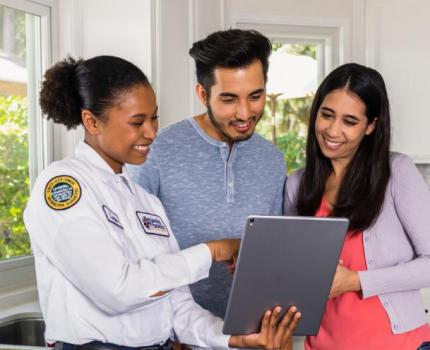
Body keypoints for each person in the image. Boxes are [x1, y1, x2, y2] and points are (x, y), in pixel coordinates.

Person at [24, 56, 300, 350]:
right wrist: (213, 251)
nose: (151, 132)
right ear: (91, 121)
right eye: (137, 122)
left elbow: (177, 308)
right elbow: (118, 291)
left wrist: (234, 338)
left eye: (154, 117)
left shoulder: (145, 202)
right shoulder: (64, 187)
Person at [128, 29, 286, 319]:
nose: (244, 113)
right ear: (202, 94)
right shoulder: (155, 153)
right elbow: (134, 256)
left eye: (255, 96)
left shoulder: (272, 160)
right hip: (176, 332)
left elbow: (272, 250)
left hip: (250, 329)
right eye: (228, 99)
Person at [283, 62, 430, 349]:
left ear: (371, 126)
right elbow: (293, 271)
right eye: (327, 115)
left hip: (402, 344)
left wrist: (354, 281)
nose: (333, 130)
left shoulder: (396, 172)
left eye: (350, 121)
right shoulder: (296, 185)